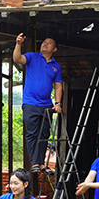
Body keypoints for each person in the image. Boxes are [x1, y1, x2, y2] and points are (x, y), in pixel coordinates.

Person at [12, 33, 62, 173]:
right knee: (32, 133)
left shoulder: (56, 66)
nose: (45, 44)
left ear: (55, 49)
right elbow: (17, 58)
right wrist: (18, 44)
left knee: (45, 134)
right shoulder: (32, 57)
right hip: (30, 103)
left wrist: (58, 103)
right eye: (44, 42)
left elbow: (58, 86)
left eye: (49, 42)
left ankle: (41, 163)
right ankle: (34, 163)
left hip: (46, 104)